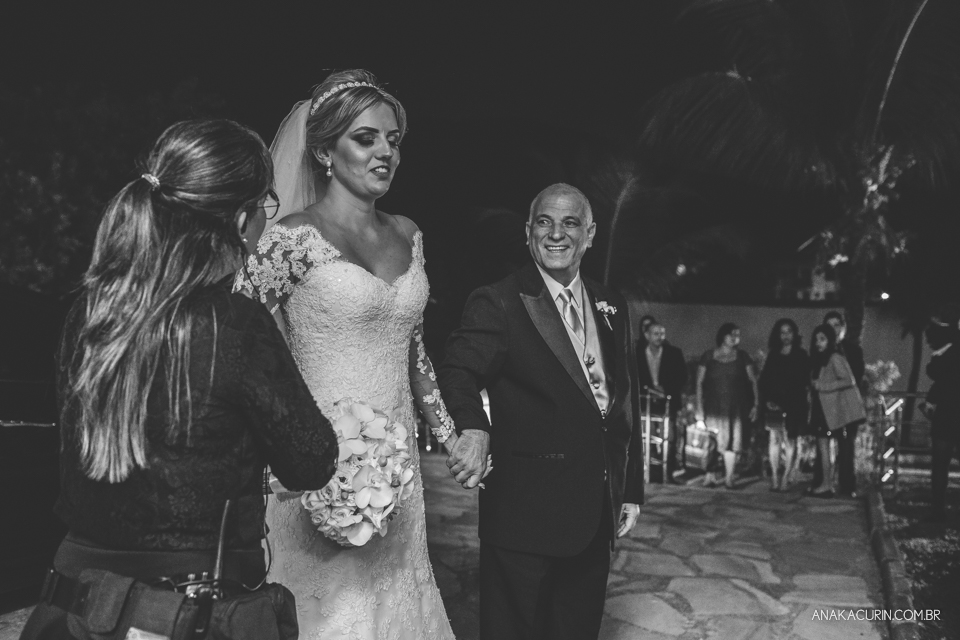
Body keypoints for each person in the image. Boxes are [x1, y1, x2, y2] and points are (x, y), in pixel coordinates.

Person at [19, 119, 339, 640]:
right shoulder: (234, 322)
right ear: (240, 219)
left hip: (77, 603)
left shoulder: (90, 314)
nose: (265, 220)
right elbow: (311, 460)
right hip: (184, 612)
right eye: (265, 206)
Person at [235, 69, 460, 639]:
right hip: (313, 464)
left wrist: (452, 435)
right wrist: (271, 447)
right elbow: (240, 342)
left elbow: (414, 351)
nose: (385, 152)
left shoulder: (409, 234)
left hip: (398, 475)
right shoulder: (289, 240)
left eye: (393, 140)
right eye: (366, 138)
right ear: (323, 150)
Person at [438, 184, 643, 640]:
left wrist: (631, 488)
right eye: (545, 222)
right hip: (523, 516)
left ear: (589, 234)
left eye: (570, 223)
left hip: (595, 513)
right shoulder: (499, 301)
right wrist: (473, 427)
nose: (557, 233)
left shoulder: (613, 306)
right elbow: (457, 372)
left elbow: (626, 402)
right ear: (528, 232)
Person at [695, 323, 759, 489]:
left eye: (738, 335)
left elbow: (753, 381)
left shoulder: (742, 356)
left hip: (736, 406)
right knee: (711, 441)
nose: (735, 338)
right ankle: (710, 475)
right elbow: (699, 383)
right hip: (713, 406)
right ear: (722, 335)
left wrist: (756, 404)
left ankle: (729, 476)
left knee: (732, 440)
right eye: (731, 334)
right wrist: (699, 409)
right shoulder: (708, 356)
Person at [808, 324, 866, 498]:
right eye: (816, 339)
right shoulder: (820, 358)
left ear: (830, 340)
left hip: (830, 409)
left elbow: (849, 380)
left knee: (826, 446)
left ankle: (827, 484)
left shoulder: (834, 357)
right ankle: (826, 483)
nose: (818, 343)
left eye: (823, 339)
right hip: (822, 407)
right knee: (823, 447)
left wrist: (824, 387)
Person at [759, 318, 809, 491]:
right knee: (774, 438)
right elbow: (765, 379)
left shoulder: (801, 355)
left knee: (790, 440)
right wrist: (768, 401)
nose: (786, 335)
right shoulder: (773, 354)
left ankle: (786, 477)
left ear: (794, 334)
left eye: (789, 331)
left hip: (794, 403)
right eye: (782, 332)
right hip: (774, 403)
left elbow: (803, 380)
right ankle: (774, 476)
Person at [636, 321, 688, 482]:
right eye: (655, 334)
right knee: (646, 436)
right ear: (647, 335)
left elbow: (682, 376)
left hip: (668, 401)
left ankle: (668, 472)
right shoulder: (636, 353)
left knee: (670, 438)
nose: (659, 337)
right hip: (645, 402)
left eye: (662, 334)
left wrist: (665, 390)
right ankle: (650, 472)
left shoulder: (674, 353)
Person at [923, 306, 960, 520]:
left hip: (946, 410)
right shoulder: (951, 349)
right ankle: (938, 509)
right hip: (949, 408)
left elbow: (938, 376)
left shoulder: (947, 353)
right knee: (940, 463)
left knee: (940, 463)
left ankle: (937, 509)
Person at [824, 310, 865, 496]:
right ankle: (824, 481)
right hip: (827, 403)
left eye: (837, 325)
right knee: (823, 444)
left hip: (847, 405)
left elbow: (856, 377)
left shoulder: (853, 350)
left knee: (847, 446)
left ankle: (847, 485)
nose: (833, 329)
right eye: (829, 325)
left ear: (843, 328)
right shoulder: (820, 349)